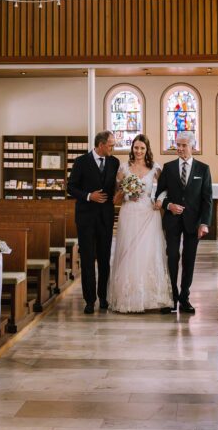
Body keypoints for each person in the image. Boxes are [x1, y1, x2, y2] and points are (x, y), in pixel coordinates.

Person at [107, 135, 173, 313]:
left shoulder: (155, 168)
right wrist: (126, 192)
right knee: (128, 252)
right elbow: (116, 198)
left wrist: (159, 200)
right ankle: (128, 297)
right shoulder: (123, 168)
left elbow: (165, 189)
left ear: (147, 149)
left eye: (142, 148)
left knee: (148, 252)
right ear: (132, 148)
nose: (138, 151)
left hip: (149, 213)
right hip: (129, 212)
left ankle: (151, 297)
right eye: (136, 148)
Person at [154, 131, 213, 314]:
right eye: (177, 145)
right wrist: (169, 205)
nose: (179, 148)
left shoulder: (203, 169)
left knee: (189, 260)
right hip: (172, 221)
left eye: (183, 145)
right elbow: (158, 195)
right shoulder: (168, 167)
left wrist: (204, 223)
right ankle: (172, 296)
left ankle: (184, 298)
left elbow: (207, 199)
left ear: (192, 146)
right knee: (172, 256)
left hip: (193, 222)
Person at [67, 130, 120, 314]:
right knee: (88, 260)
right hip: (86, 218)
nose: (113, 147)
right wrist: (89, 196)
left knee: (105, 259)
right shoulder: (81, 162)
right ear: (100, 145)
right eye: (111, 144)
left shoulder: (114, 162)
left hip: (105, 217)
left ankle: (103, 297)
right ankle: (89, 300)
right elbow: (71, 187)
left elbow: (115, 187)